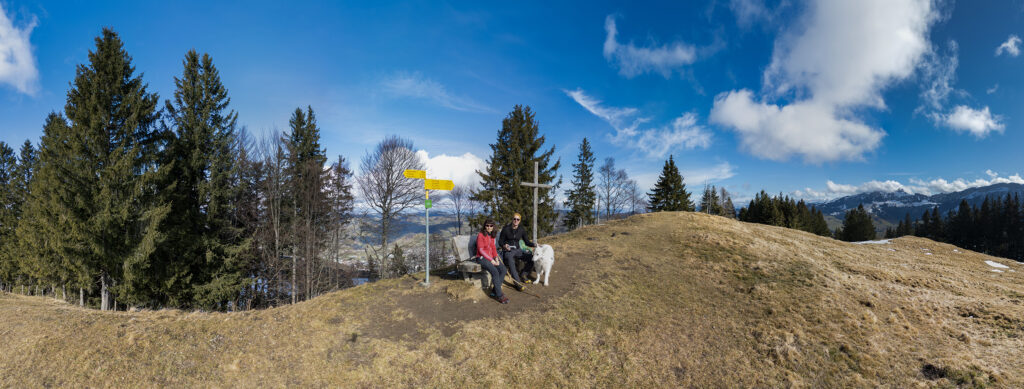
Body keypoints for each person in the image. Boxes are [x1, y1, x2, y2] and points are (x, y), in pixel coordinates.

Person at [475, 219, 508, 304]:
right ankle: (499, 295)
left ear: (493, 227)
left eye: (491, 225)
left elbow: (493, 248)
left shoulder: (492, 236)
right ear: (484, 226)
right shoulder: (481, 235)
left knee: (503, 270)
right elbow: (481, 250)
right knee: (495, 272)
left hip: (491, 258)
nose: (489, 227)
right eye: (487, 225)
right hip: (482, 258)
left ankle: (494, 291)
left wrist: (496, 258)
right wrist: (491, 260)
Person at [498, 212, 536, 284]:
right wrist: (504, 246)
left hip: (518, 250)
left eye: (518, 219)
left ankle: (523, 274)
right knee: (511, 262)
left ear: (520, 221)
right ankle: (517, 283)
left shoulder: (521, 229)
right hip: (508, 251)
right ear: (512, 219)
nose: (516, 221)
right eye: (514, 219)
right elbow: (500, 241)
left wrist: (535, 245)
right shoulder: (506, 229)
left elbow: (527, 242)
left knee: (532, 258)